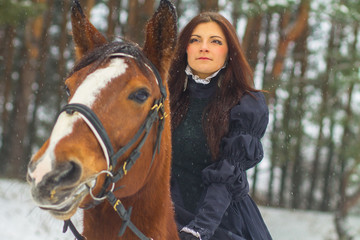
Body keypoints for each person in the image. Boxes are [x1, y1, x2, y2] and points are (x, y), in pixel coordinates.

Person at [168, 12, 272, 240]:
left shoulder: (246, 104)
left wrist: (199, 229)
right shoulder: (166, 99)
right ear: (185, 49)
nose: (203, 47)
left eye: (215, 41)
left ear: (229, 52)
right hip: (167, 216)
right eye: (195, 40)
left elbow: (226, 177)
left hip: (223, 222)